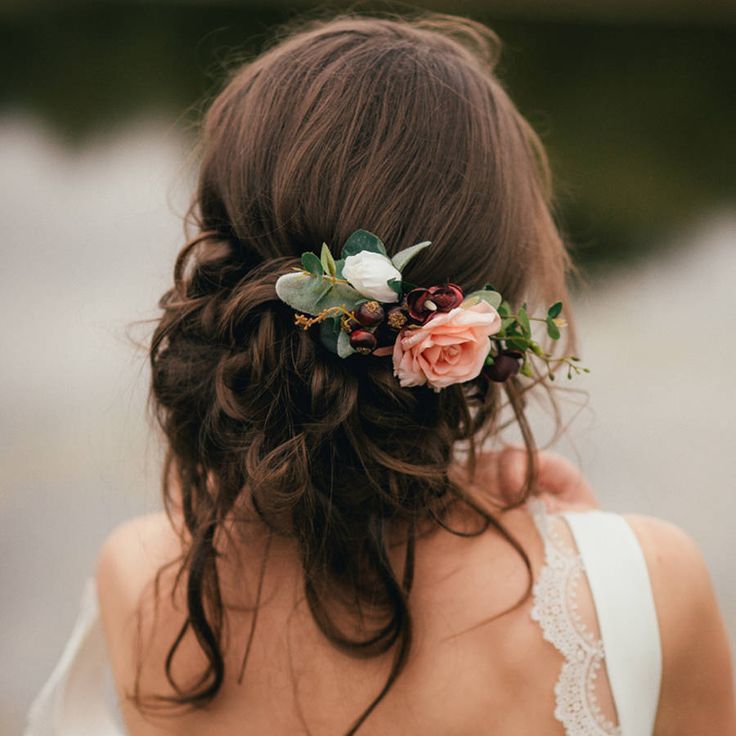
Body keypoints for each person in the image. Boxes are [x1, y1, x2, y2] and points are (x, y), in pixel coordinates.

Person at [25, 12, 735, 736]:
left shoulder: (147, 582)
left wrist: (213, 504)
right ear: (483, 305)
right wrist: (601, 557)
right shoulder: (644, 592)